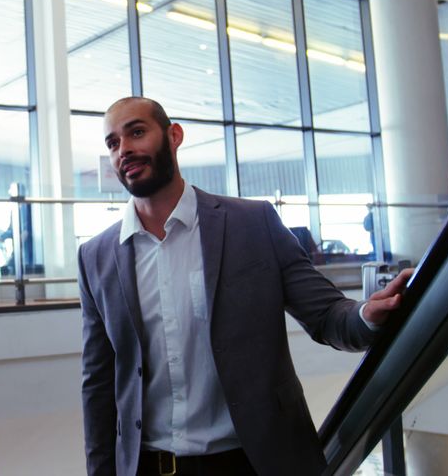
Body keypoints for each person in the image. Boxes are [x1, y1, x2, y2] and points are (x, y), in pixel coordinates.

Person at [78, 97, 408, 476]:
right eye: (113, 143)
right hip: (151, 466)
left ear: (174, 136)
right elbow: (98, 386)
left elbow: (327, 315)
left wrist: (367, 315)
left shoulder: (253, 224)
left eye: (137, 132)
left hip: (254, 463)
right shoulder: (96, 257)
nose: (125, 150)